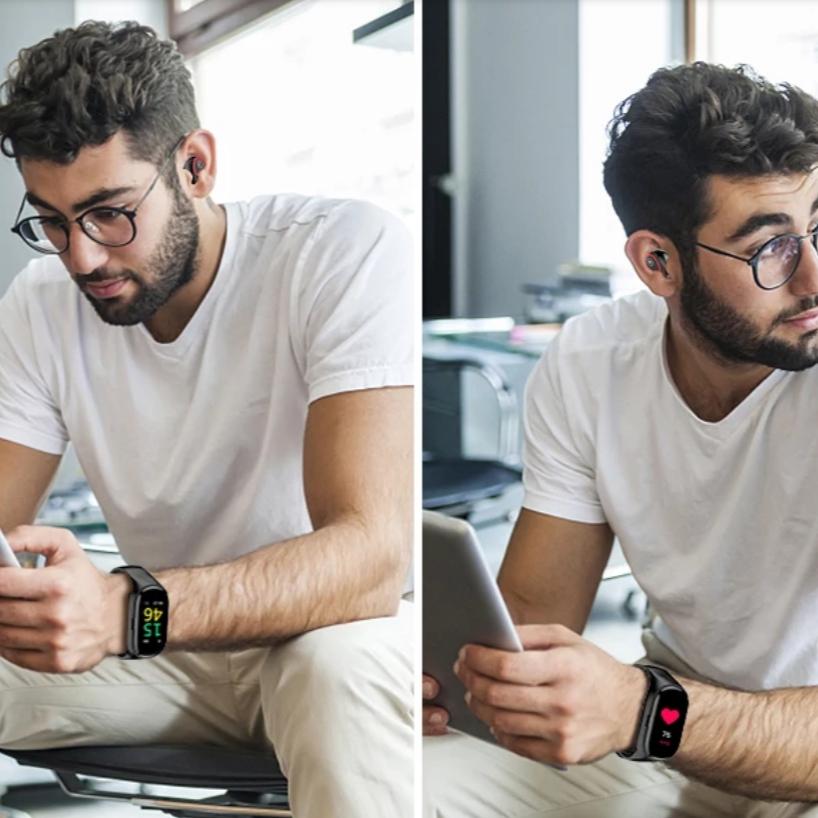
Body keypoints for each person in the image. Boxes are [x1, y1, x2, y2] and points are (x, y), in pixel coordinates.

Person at [0, 20, 413, 818]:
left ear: (194, 166)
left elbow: (370, 560)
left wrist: (127, 610)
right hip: (167, 654)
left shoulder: (341, 251)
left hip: (335, 637)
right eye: (50, 222)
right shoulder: (41, 302)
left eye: (108, 213)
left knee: (336, 673)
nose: (81, 258)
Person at [424, 62, 818, 817]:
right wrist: (456, 682)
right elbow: (533, 620)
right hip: (671, 738)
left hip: (784, 751)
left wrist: (642, 710)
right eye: (771, 247)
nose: (811, 274)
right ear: (657, 263)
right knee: (403, 779)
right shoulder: (589, 363)